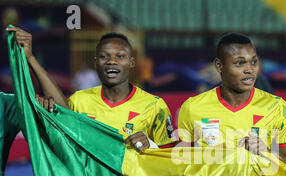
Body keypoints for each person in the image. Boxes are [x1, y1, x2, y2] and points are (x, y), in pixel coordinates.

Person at [7, 27, 177, 151]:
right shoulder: (79, 100)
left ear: (131, 63)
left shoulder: (155, 106)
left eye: (120, 56)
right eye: (104, 56)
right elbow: (62, 112)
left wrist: (152, 146)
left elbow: (170, 159)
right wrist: (29, 57)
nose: (111, 61)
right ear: (96, 63)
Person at [177, 33, 286, 170]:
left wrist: (268, 154)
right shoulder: (193, 108)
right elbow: (180, 167)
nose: (249, 69)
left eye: (253, 62)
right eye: (240, 63)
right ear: (219, 66)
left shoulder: (277, 107)